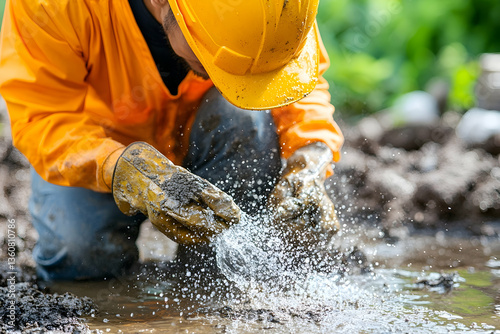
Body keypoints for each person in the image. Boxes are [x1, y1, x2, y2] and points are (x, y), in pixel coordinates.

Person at [0, 0, 344, 280]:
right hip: (98, 143)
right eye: (219, 61)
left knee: (247, 116)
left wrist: (311, 155)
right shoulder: (52, 5)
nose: (238, 76)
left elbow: (291, 74)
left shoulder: (273, 9)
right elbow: (43, 115)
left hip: (218, 124)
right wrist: (118, 167)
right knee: (79, 258)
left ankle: (216, 276)